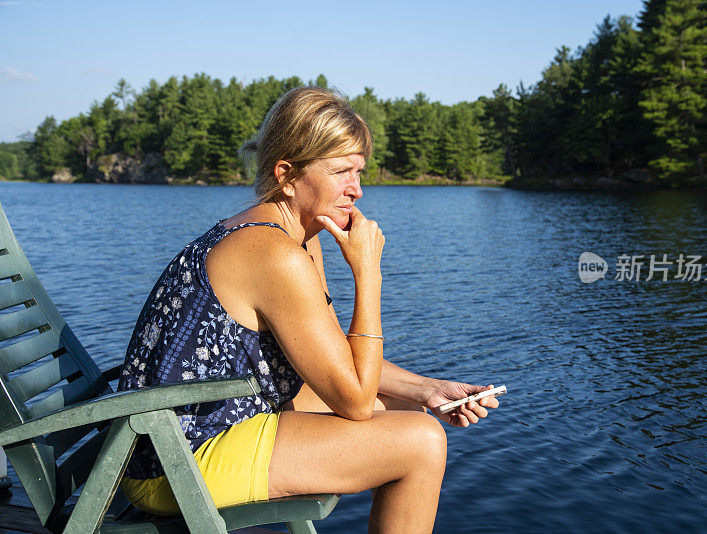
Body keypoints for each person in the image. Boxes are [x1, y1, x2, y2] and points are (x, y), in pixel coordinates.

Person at [118, 86, 500, 533]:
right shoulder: (275, 255)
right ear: (286, 174)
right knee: (421, 442)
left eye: (359, 171)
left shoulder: (292, 234)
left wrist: (428, 389)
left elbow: (340, 359)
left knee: (407, 410)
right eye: (341, 171)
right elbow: (355, 402)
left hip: (202, 422)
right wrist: (368, 277)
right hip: (172, 461)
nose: (356, 190)